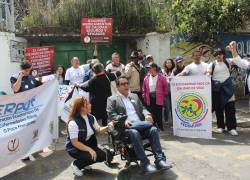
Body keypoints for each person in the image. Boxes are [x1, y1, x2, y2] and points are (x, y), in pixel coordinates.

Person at [107, 76, 172, 174]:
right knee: (134, 131)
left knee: (153, 130)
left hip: (140, 124)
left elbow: (143, 109)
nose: (126, 85)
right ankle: (145, 164)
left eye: (127, 83)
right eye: (123, 84)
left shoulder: (134, 96)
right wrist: (122, 121)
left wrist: (147, 114)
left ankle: (160, 160)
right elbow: (112, 114)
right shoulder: (112, 99)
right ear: (117, 87)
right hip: (126, 128)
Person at [65, 97, 113, 177]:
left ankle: (84, 163)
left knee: (103, 156)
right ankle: (76, 165)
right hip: (75, 149)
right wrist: (90, 150)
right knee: (91, 156)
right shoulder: (73, 123)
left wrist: (109, 126)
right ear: (81, 108)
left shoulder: (91, 117)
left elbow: (98, 130)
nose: (90, 105)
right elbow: (75, 142)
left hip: (87, 145)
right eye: (87, 104)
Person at [10, 61, 42, 160]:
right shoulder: (14, 77)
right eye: (27, 70)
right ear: (21, 69)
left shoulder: (31, 78)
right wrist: (20, 76)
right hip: (21, 110)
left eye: (29, 70)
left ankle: (32, 148)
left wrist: (41, 80)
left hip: (32, 109)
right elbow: (15, 89)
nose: (28, 72)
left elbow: (40, 87)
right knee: (23, 131)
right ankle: (23, 153)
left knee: (32, 130)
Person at [207, 48, 238, 136]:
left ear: (223, 54)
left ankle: (232, 128)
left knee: (230, 109)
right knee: (218, 109)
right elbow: (208, 73)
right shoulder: (211, 64)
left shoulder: (228, 61)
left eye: (220, 53)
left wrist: (233, 49)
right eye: (216, 54)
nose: (218, 55)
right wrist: (208, 74)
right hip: (217, 89)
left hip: (228, 89)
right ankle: (220, 126)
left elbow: (237, 60)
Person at [143, 63, 168, 131]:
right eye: (148, 68)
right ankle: (153, 127)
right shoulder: (146, 78)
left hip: (159, 97)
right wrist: (144, 96)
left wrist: (165, 96)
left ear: (154, 68)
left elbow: (165, 87)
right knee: (151, 112)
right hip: (149, 97)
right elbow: (144, 89)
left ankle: (160, 126)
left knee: (159, 112)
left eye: (149, 68)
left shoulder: (162, 77)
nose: (148, 69)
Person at [228, 41, 250, 108]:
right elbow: (238, 61)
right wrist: (233, 49)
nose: (248, 58)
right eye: (248, 56)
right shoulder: (248, 65)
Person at [162, 58, 175, 123]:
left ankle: (174, 120)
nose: (169, 64)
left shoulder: (174, 71)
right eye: (167, 63)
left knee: (173, 106)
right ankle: (166, 119)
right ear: (165, 64)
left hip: (174, 92)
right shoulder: (162, 71)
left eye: (170, 62)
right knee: (167, 107)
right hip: (166, 92)